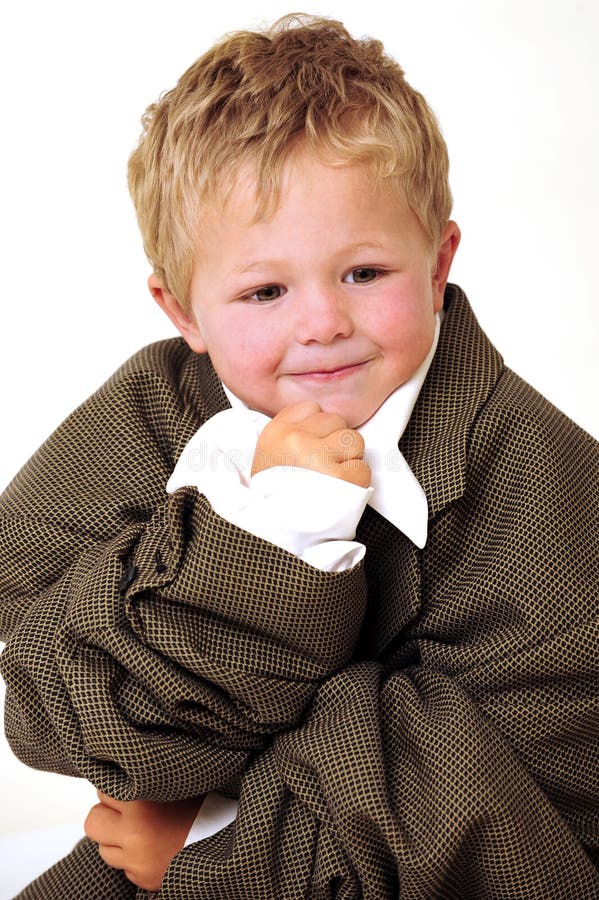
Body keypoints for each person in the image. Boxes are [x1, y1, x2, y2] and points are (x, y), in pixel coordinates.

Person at [1, 13, 597, 899]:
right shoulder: (150, 410)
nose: (320, 322)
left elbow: (532, 845)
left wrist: (214, 839)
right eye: (264, 290)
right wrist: (257, 539)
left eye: (364, 274)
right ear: (184, 313)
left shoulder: (559, 511)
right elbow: (47, 699)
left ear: (437, 263)